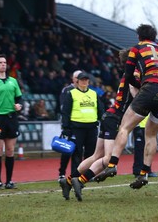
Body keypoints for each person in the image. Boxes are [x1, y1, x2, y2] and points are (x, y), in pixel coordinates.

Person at [94, 24, 158, 189]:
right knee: (151, 135)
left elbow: (129, 74)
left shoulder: (137, 49)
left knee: (124, 127)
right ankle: (144, 172)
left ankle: (112, 165)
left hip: (150, 89)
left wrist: (140, 84)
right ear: (154, 37)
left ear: (139, 37)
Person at [61, 49, 134, 201]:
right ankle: (80, 181)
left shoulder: (128, 74)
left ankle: (68, 181)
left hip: (108, 117)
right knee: (107, 159)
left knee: (96, 155)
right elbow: (137, 94)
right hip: (113, 118)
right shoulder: (133, 75)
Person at [60, 71, 104, 197]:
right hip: (76, 128)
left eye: (86, 80)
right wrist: (66, 128)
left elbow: (100, 110)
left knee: (91, 155)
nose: (84, 82)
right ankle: (75, 179)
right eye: (82, 80)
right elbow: (65, 112)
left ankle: (79, 179)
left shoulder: (94, 94)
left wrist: (104, 121)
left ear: (88, 82)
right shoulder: (71, 94)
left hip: (91, 128)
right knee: (77, 155)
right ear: (77, 81)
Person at [0, 54, 23, 189]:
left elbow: (19, 98)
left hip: (11, 118)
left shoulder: (13, 81)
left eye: (4, 62)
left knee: (10, 150)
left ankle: (9, 181)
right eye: (0, 62)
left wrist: (19, 105)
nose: (3, 64)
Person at [57, 70, 82, 181]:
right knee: (67, 149)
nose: (78, 79)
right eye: (77, 77)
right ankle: (62, 172)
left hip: (80, 124)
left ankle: (77, 172)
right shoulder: (67, 90)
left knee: (78, 150)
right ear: (73, 78)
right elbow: (63, 108)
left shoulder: (85, 90)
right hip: (70, 124)